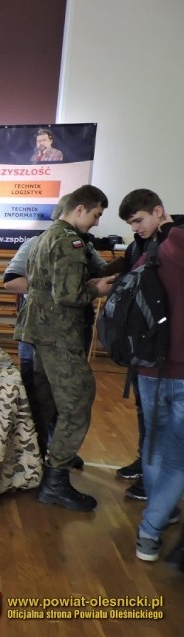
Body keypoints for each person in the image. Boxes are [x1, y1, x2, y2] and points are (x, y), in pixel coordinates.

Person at [14, 185, 115, 511]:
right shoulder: (70, 241)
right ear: (81, 208)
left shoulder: (46, 236)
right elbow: (69, 295)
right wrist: (97, 289)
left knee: (42, 405)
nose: (97, 223)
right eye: (97, 215)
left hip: (39, 333)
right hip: (60, 335)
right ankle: (54, 481)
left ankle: (36, 468)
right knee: (76, 403)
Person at [124, 192, 184, 562]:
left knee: (155, 447)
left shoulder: (151, 254)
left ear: (159, 213)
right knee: (178, 455)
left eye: (137, 221)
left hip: (150, 367)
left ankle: (152, 527)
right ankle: (151, 528)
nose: (136, 229)